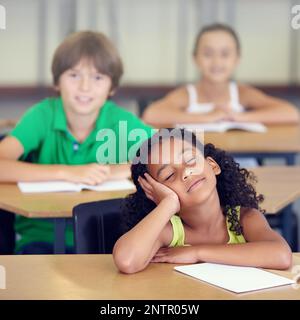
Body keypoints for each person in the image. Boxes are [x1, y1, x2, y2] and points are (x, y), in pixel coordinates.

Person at [0, 31, 153, 254]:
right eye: (74, 75)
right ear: (57, 82)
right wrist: (68, 173)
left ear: (111, 87)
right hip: (42, 237)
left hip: (108, 236)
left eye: (98, 77)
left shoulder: (120, 120)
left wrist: (116, 170)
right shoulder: (43, 115)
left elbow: (173, 154)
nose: (84, 87)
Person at [113, 128, 292, 274]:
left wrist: (196, 252)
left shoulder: (244, 219)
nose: (185, 172)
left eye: (191, 160)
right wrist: (167, 204)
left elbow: (282, 256)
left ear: (213, 165)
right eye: (169, 175)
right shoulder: (169, 231)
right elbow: (127, 261)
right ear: (155, 192)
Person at [142, 23, 299, 127]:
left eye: (225, 54)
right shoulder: (187, 94)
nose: (216, 62)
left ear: (237, 59)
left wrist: (238, 117)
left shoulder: (242, 93)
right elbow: (152, 115)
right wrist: (208, 117)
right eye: (208, 54)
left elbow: (291, 113)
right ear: (195, 58)